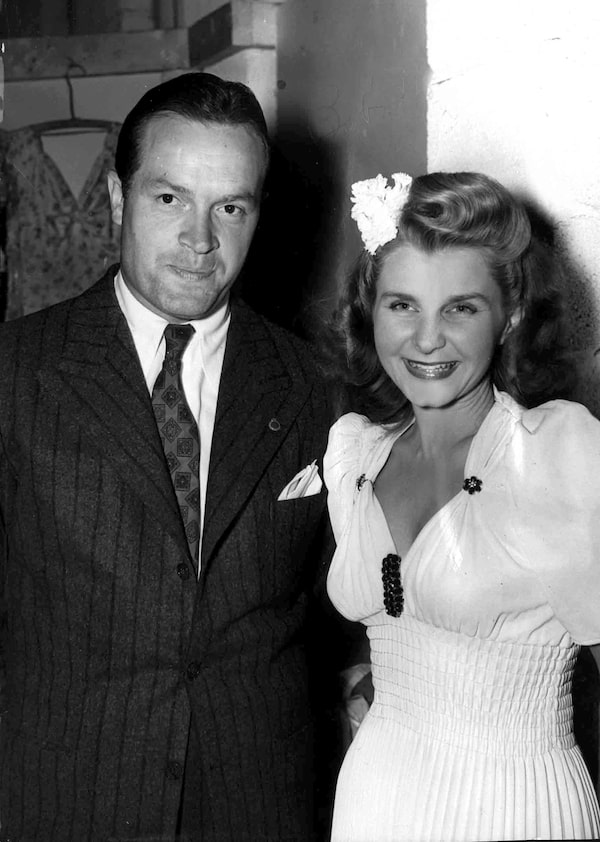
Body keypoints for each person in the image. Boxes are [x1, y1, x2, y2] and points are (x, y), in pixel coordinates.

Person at [0, 72, 331, 842]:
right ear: (120, 199)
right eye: (170, 198)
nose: (200, 239)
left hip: (255, 805)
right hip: (63, 801)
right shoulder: (16, 371)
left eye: (231, 207)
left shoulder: (317, 384)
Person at [322, 170, 600, 841]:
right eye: (403, 305)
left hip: (514, 808)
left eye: (460, 309)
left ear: (511, 316)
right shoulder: (358, 454)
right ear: (370, 308)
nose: (426, 339)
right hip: (372, 801)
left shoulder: (555, 453)